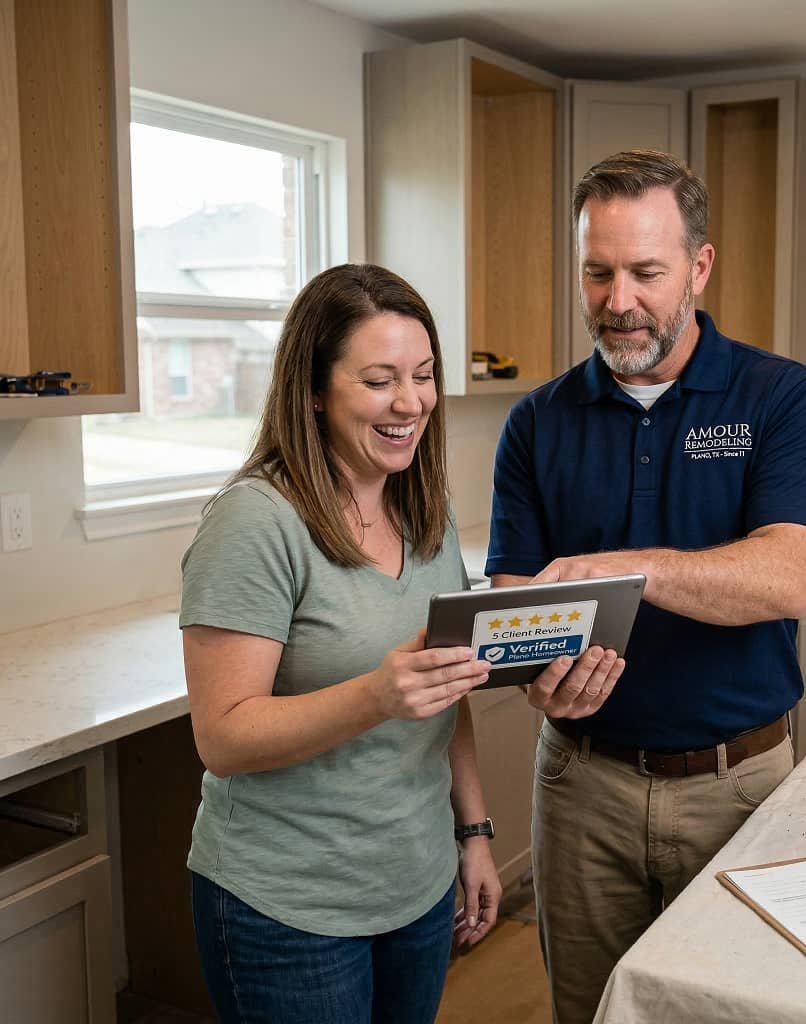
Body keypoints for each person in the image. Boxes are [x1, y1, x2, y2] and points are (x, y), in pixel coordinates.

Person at [179, 264, 618, 1024]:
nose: (410, 403)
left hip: (415, 887)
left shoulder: (425, 513)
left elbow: (444, 690)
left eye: (422, 375)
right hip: (289, 906)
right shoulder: (255, 523)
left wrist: (474, 834)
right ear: (314, 390)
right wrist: (375, 695)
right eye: (379, 380)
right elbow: (223, 737)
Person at [486, 150, 806, 1024]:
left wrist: (628, 570)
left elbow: (788, 577)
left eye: (646, 272)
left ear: (699, 265)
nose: (618, 301)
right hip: (580, 788)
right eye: (598, 272)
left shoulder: (783, 398)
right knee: (590, 1012)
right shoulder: (535, 421)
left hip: (740, 785)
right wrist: (535, 665)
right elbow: (511, 593)